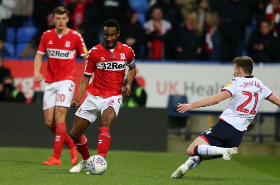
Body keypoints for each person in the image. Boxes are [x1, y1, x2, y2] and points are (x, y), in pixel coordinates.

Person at [171, 56, 280, 179]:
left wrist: (192, 105)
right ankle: (185, 166)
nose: (233, 71)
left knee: (191, 149)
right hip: (238, 136)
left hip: (225, 126)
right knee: (202, 153)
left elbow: (216, 99)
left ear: (239, 70)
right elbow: (278, 102)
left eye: (234, 69)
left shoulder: (237, 82)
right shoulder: (261, 86)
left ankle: (223, 151)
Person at [69, 19, 136, 173]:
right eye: (106, 35)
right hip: (93, 96)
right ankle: (86, 161)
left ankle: (100, 161)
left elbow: (132, 68)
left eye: (112, 35)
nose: (109, 38)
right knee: (75, 133)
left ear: (118, 34)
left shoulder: (127, 51)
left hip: (113, 96)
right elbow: (86, 76)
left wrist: (128, 84)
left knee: (105, 123)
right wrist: (79, 96)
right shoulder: (94, 53)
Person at [34, 6, 88, 165]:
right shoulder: (47, 35)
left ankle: (56, 157)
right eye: (57, 18)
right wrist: (37, 71)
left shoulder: (76, 37)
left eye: (63, 18)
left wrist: (88, 76)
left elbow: (87, 57)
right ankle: (72, 146)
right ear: (53, 19)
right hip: (50, 81)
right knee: (49, 121)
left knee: (59, 116)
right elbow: (39, 55)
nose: (60, 21)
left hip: (67, 80)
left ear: (68, 19)